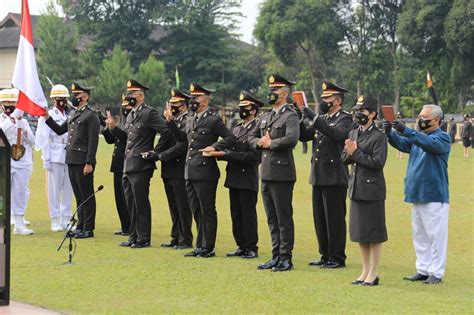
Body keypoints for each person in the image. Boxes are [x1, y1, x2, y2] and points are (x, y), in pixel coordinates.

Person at [165, 82, 235, 258]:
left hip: (205, 172)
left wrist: (214, 146)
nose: (192, 101)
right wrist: (171, 123)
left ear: (204, 102)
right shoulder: (191, 119)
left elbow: (230, 137)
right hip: (190, 171)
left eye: (195, 99)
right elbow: (184, 139)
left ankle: (208, 247)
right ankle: (199, 245)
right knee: (196, 210)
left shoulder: (213, 119)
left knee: (207, 210)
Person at [383, 104, 450, 285]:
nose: (421, 120)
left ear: (436, 120)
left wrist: (406, 130)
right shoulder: (418, 138)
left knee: (436, 235)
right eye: (420, 116)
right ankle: (423, 268)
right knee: (419, 234)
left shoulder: (442, 137)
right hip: (416, 192)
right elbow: (403, 144)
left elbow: (428, 144)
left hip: (434, 194)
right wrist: (390, 132)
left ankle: (436, 272)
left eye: (424, 117)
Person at [248, 74, 299, 272]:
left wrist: (271, 143)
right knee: (271, 217)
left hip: (282, 173)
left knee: (283, 217)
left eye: (274, 91)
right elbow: (252, 137)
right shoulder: (266, 116)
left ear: (284, 94)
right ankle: (275, 254)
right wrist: (260, 143)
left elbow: (292, 138)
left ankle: (286, 257)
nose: (270, 94)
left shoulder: (290, 115)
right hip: (266, 172)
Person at [300, 81, 353, 269]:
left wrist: (315, 118)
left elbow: (337, 134)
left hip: (334, 175)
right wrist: (301, 118)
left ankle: (337, 257)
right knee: (320, 218)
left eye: (327, 98)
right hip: (319, 175)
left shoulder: (345, 118)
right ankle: (324, 254)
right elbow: (304, 136)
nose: (323, 101)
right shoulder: (321, 118)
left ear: (337, 101)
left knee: (335, 219)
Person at [208, 91, 262, 259]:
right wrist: (218, 152)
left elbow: (253, 157)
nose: (241, 111)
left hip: (247, 177)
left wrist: (225, 155)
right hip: (234, 176)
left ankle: (251, 246)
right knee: (236, 214)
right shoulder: (237, 128)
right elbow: (230, 148)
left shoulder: (257, 128)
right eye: (240, 108)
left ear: (253, 110)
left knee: (248, 214)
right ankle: (241, 245)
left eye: (245, 108)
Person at [118, 79, 171, 249]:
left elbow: (166, 131)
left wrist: (155, 152)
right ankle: (133, 236)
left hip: (141, 165)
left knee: (140, 202)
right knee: (130, 202)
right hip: (128, 164)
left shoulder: (149, 113)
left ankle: (144, 238)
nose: (128, 97)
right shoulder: (132, 114)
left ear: (140, 97)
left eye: (131, 94)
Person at [342, 96, 388, 286]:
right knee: (360, 233)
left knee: (374, 233)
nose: (358, 115)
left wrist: (356, 153)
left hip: (372, 190)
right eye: (356, 111)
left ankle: (374, 273)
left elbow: (377, 163)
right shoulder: (353, 133)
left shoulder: (379, 136)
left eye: (362, 112)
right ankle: (365, 270)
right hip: (356, 188)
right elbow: (344, 158)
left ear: (372, 114)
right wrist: (350, 153)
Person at [45, 82, 100, 239]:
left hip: (83, 161)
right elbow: (60, 129)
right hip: (72, 159)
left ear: (85, 97)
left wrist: (89, 162)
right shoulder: (73, 114)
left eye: (77, 96)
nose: (74, 98)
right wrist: (47, 117)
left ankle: (88, 228)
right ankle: (81, 225)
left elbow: (93, 141)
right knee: (79, 195)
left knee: (87, 194)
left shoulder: (91, 115)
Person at [144, 88, 193, 250]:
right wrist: (154, 152)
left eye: (175, 104)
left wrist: (161, 156)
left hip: (179, 168)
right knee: (173, 205)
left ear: (184, 106)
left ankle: (185, 238)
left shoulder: (187, 121)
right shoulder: (171, 121)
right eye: (171, 104)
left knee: (182, 205)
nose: (172, 107)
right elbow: (164, 140)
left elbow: (182, 145)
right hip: (168, 169)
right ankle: (176, 236)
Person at [0, 88, 35, 235]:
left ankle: (19, 223)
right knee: (2, 193)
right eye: (6, 103)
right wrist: (12, 119)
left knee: (20, 192)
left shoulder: (24, 122)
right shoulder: (3, 119)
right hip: (4, 161)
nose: (9, 106)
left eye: (13, 103)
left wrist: (25, 131)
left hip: (21, 161)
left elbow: (33, 142)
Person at [42, 84, 73, 232]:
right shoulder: (49, 114)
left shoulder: (71, 114)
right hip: (55, 153)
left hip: (69, 153)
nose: (62, 101)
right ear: (54, 99)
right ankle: (54, 219)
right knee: (54, 190)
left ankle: (65, 218)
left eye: (64, 98)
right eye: (59, 98)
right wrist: (46, 159)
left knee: (68, 188)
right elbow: (44, 138)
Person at [102, 94, 131, 236]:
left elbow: (126, 137)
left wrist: (115, 128)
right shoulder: (125, 121)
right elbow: (111, 140)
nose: (125, 109)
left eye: (127, 106)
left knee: (127, 198)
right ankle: (125, 226)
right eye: (124, 106)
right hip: (118, 164)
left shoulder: (133, 122)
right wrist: (107, 128)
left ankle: (131, 226)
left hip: (127, 163)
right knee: (119, 198)